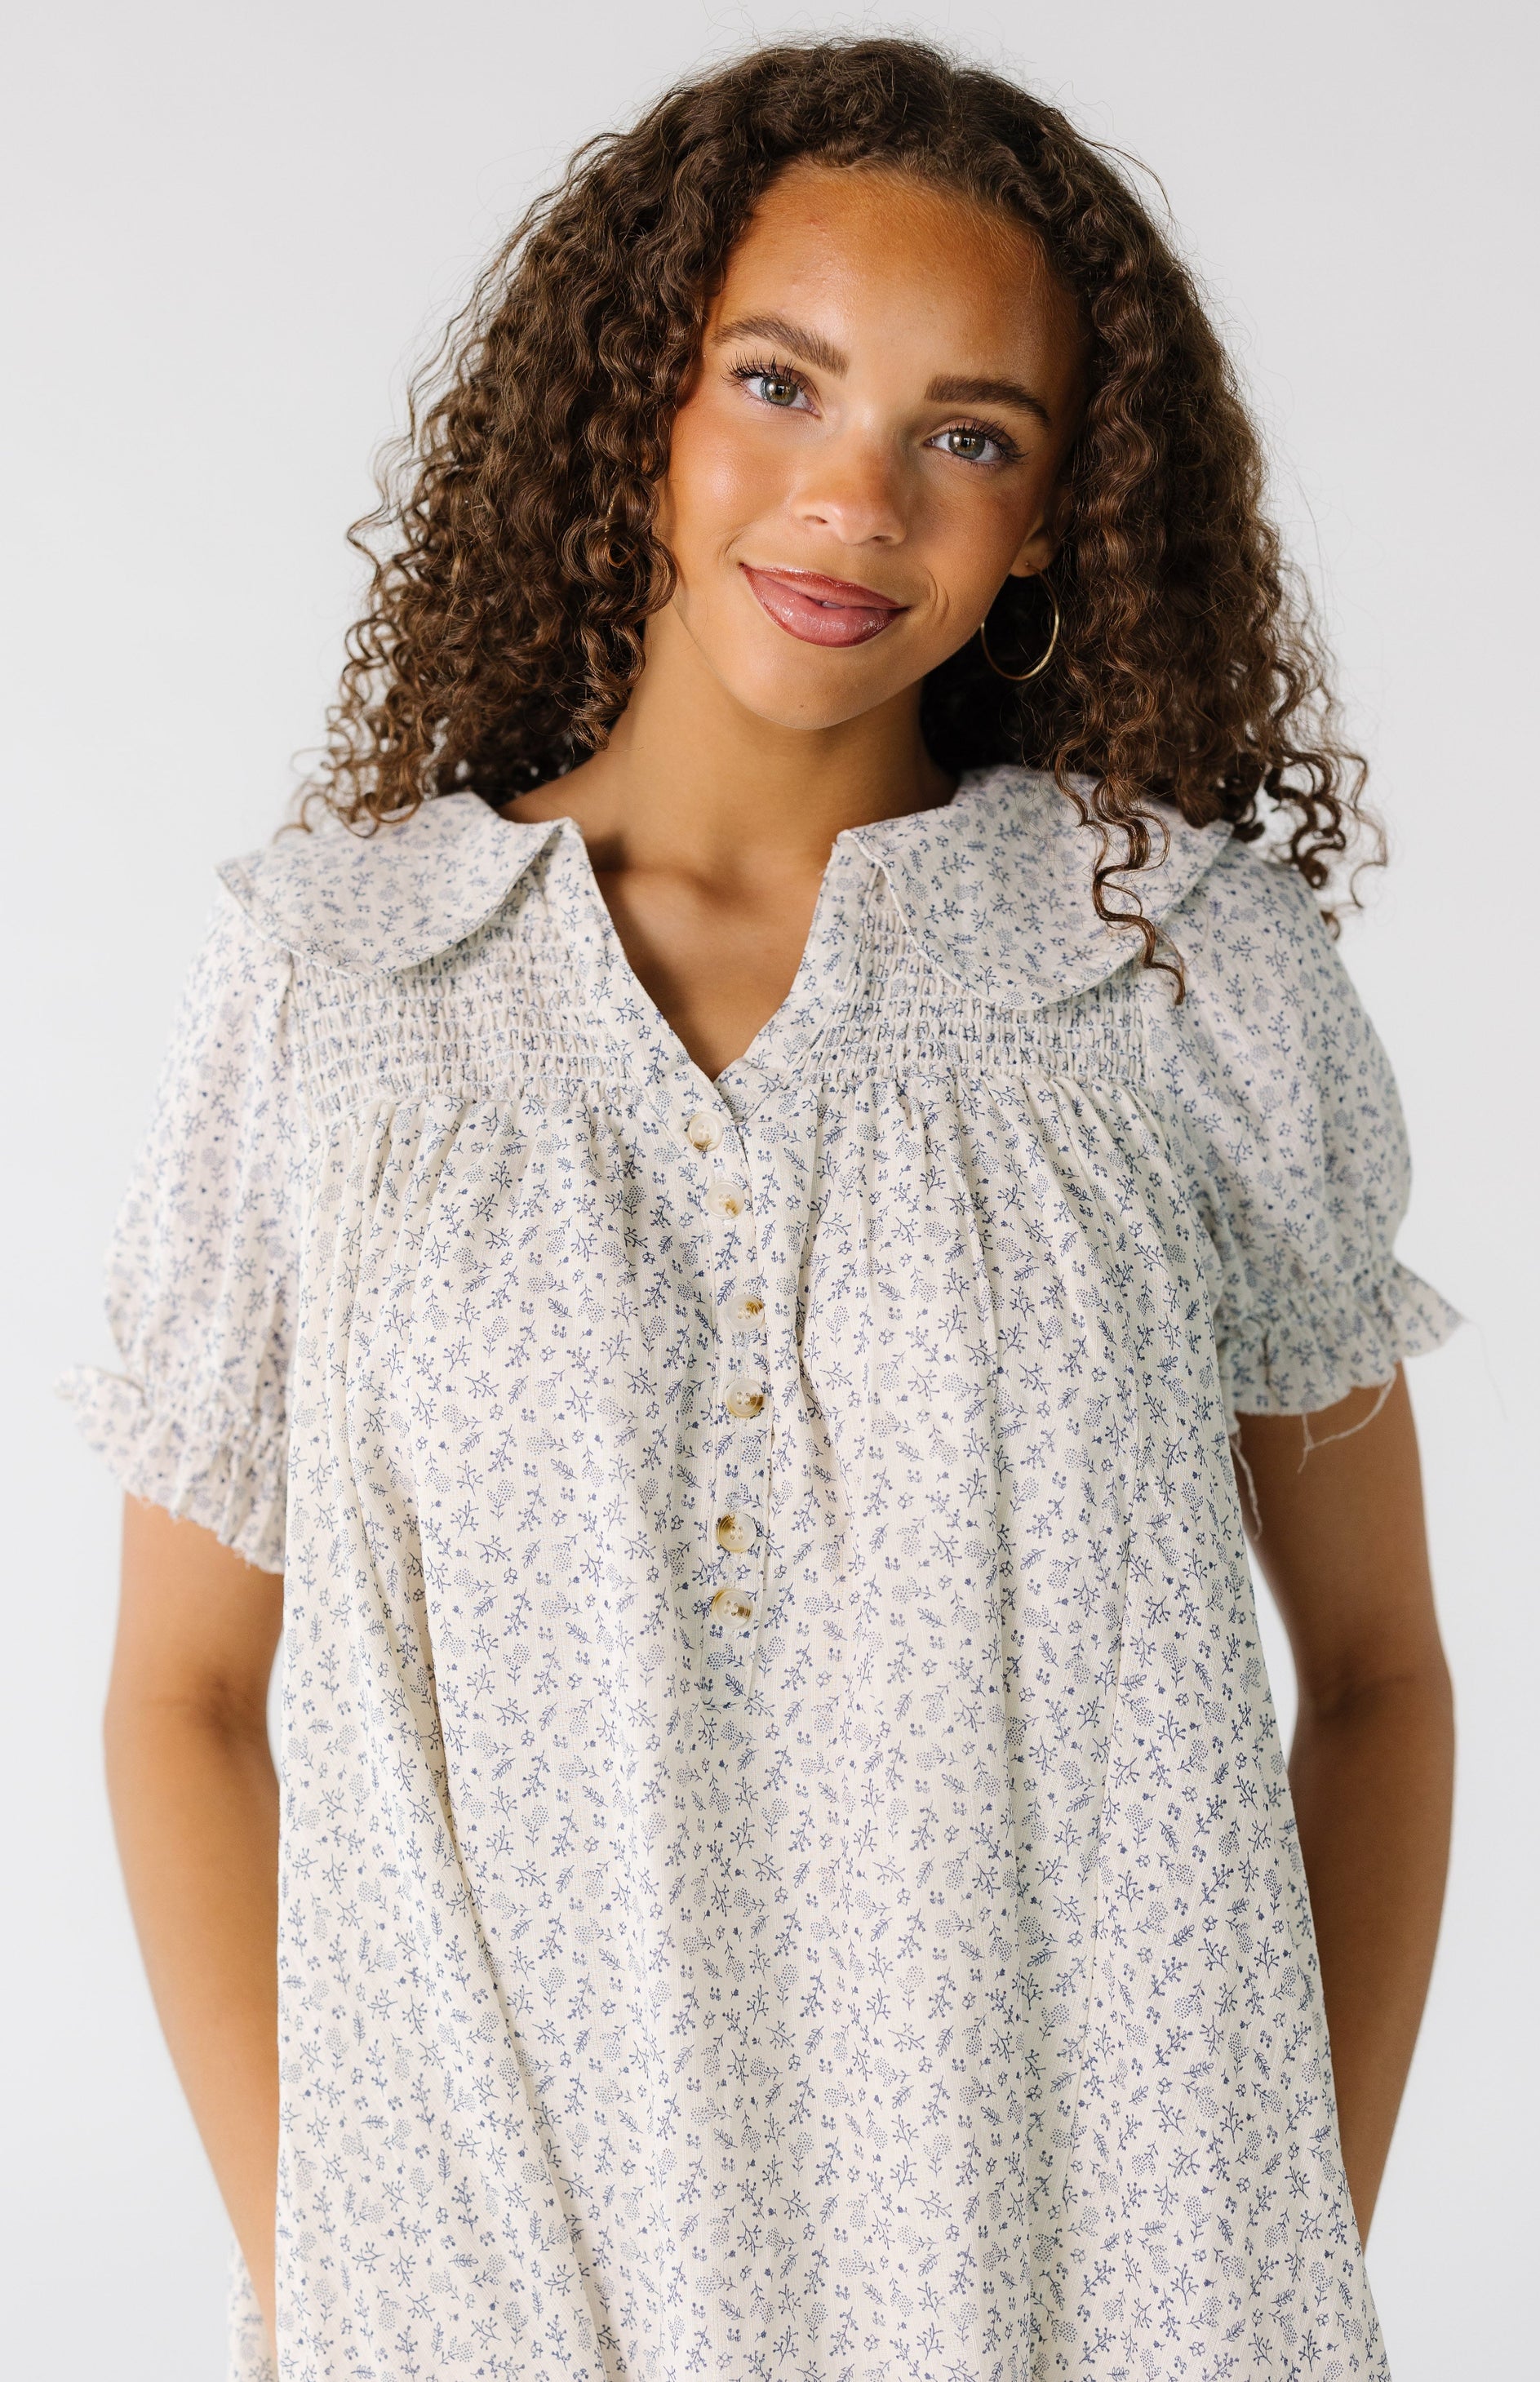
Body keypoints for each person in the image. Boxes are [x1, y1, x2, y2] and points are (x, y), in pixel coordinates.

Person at [65, 36, 1459, 2382]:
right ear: (640, 403)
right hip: (498, 2306)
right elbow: (186, 1698)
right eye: (782, 381)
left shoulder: (1175, 970)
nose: (855, 502)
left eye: (966, 434)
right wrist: (330, 2280)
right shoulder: (338, 985)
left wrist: (1251, 2256)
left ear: (1056, 513)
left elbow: (1380, 1680)